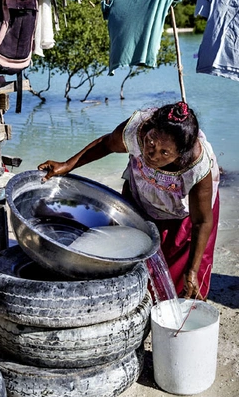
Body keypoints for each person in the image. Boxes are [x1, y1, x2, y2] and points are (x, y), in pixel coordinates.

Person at [38, 101, 220, 300]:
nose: (152, 154)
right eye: (151, 142)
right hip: (141, 195)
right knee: (135, 259)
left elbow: (201, 222)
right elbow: (106, 144)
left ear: (180, 154)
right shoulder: (137, 130)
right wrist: (67, 165)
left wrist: (192, 271)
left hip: (183, 212)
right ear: (149, 130)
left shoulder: (196, 167)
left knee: (179, 276)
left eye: (164, 153)